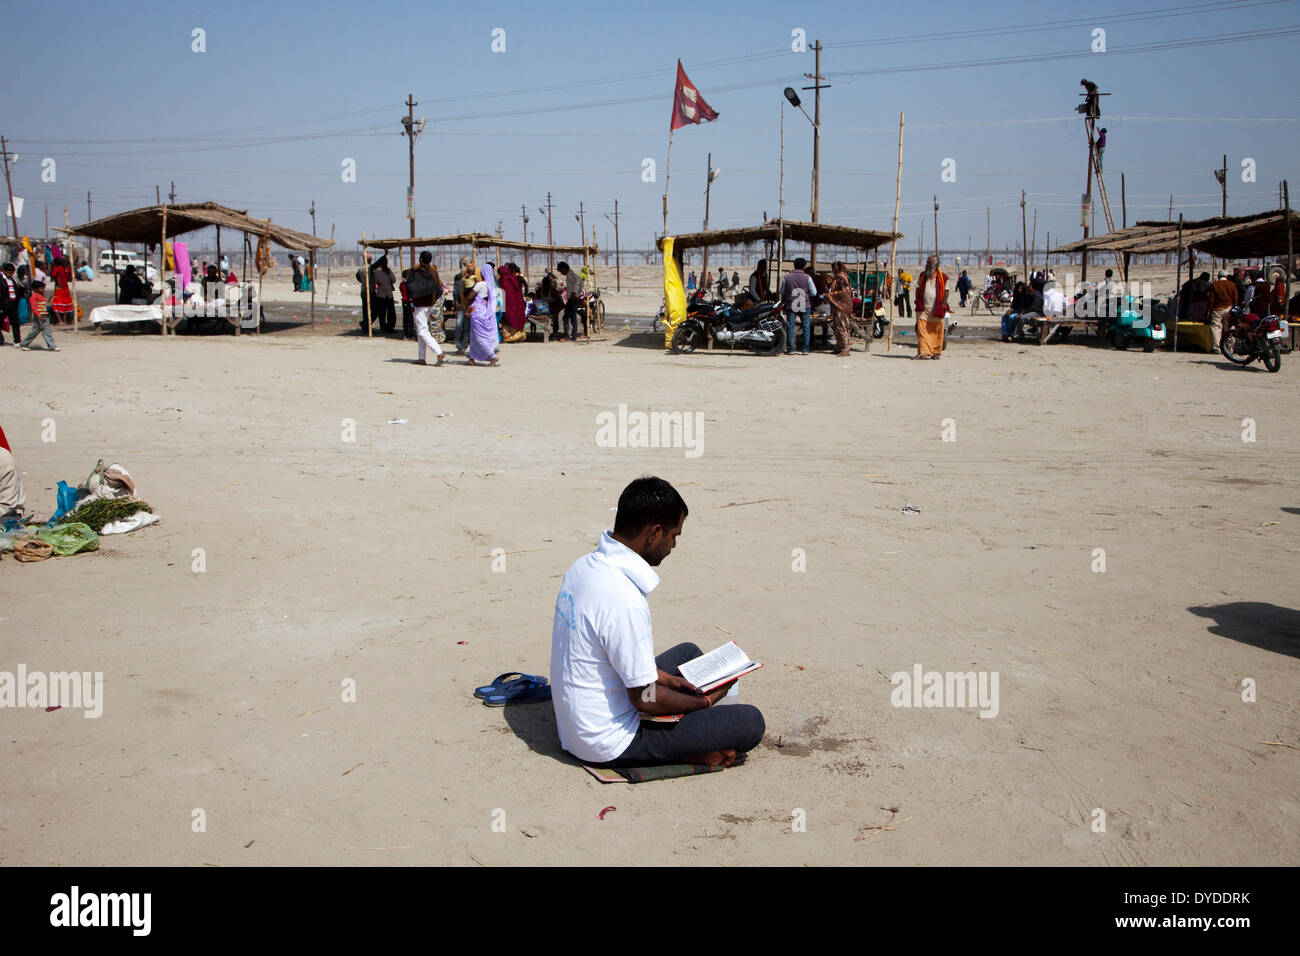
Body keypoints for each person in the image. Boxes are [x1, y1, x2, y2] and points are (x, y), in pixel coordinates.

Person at [551, 476, 765, 769]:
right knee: (750, 722)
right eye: (673, 535)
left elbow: (611, 654)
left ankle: (696, 730)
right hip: (607, 742)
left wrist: (667, 679)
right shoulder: (624, 598)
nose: (673, 545)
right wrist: (703, 704)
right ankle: (693, 747)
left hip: (577, 723)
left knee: (688, 653)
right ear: (654, 533)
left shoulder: (583, 567)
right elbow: (644, 699)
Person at [410, 251, 446, 367]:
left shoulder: (417, 271)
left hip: (421, 304)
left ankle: (439, 352)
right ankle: (421, 358)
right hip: (430, 303)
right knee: (421, 329)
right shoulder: (433, 271)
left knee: (422, 331)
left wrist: (413, 269)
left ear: (420, 259)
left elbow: (408, 279)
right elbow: (438, 286)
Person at [913, 255, 950, 359]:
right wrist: (917, 301)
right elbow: (917, 289)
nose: (927, 265)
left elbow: (946, 292)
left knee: (936, 331)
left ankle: (934, 353)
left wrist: (943, 305)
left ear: (936, 265)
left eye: (930, 263)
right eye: (927, 263)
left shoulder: (944, 277)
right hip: (923, 309)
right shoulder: (922, 276)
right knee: (921, 330)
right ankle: (922, 352)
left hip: (937, 308)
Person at [780, 257, 818, 356]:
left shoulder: (787, 277)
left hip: (791, 305)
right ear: (804, 267)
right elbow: (814, 292)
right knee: (806, 326)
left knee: (790, 327)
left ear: (794, 265)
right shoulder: (808, 277)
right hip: (805, 305)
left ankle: (790, 349)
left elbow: (782, 291)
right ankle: (805, 349)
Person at [466, 264, 500, 366]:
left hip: (477, 313)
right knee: (474, 336)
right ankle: (472, 358)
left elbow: (469, 296)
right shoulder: (491, 286)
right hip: (486, 312)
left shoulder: (480, 285)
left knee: (478, 336)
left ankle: (492, 356)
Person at [20, 280, 57, 351]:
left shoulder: (41, 296)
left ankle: (52, 346)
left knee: (47, 331)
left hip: (45, 316)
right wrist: (38, 314)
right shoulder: (34, 297)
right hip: (38, 317)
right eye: (41, 288)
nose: (43, 290)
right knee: (34, 332)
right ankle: (24, 344)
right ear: (36, 289)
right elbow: (33, 307)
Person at [827, 260, 854, 357]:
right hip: (839, 306)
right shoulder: (842, 277)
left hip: (841, 307)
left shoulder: (840, 278)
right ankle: (839, 346)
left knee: (842, 327)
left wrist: (830, 295)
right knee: (838, 327)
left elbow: (843, 293)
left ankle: (846, 347)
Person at [1207, 271, 1238, 347]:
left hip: (1217, 309)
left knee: (1216, 327)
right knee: (1229, 327)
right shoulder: (1232, 284)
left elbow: (1211, 299)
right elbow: (1235, 298)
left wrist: (1208, 311)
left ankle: (1216, 347)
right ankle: (1230, 346)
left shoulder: (1214, 285)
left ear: (1218, 276)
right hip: (1229, 308)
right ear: (1226, 277)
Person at [499, 262, 527, 342]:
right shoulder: (513, 278)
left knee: (508, 317)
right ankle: (518, 336)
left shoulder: (503, 278)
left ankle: (510, 337)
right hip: (516, 300)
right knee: (515, 316)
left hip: (507, 302)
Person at [372, 254, 397, 334]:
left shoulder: (380, 272)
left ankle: (386, 327)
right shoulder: (383, 271)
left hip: (384, 294)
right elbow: (393, 280)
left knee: (386, 312)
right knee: (387, 312)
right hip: (385, 294)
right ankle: (388, 327)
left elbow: (393, 280)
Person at [557, 261, 581, 341]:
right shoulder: (570, 274)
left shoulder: (571, 275)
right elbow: (579, 282)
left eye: (561, 271)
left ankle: (567, 336)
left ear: (564, 269)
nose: (561, 273)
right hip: (573, 299)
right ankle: (573, 336)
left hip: (573, 299)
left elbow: (578, 282)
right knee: (572, 316)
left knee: (566, 317)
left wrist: (574, 293)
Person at [453, 257, 473, 353]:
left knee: (466, 326)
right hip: (462, 303)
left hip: (469, 304)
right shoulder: (458, 277)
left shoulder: (472, 276)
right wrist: (456, 300)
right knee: (459, 323)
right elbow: (456, 290)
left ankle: (462, 345)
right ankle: (458, 342)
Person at [0, 263, 20, 346]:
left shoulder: (13, 280)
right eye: (10, 272)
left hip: (13, 304)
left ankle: (17, 341)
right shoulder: (1, 280)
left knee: (15, 323)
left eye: (12, 272)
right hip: (4, 305)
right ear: (4, 271)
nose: (11, 274)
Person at [49, 256, 73, 325]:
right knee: (65, 304)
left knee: (56, 304)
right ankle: (64, 320)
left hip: (59, 288)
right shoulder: (67, 269)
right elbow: (71, 276)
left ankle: (60, 320)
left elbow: (53, 276)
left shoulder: (57, 268)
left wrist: (58, 282)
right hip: (65, 288)